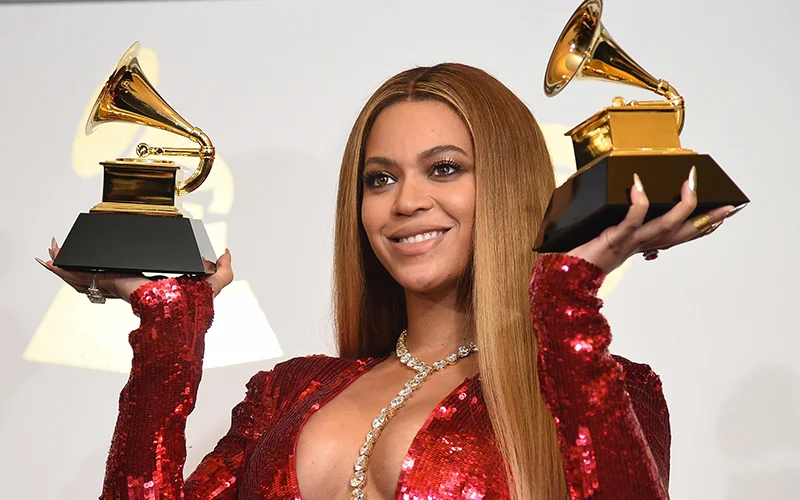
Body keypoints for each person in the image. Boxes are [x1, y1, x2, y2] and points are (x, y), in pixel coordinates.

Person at [39, 63, 741, 500]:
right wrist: (168, 331)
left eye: (444, 168)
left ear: (507, 184)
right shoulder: (289, 392)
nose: (405, 202)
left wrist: (564, 298)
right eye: (380, 179)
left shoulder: (600, 388)